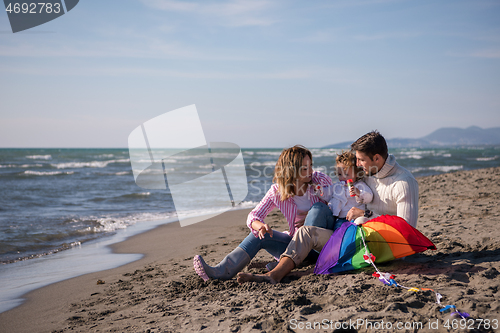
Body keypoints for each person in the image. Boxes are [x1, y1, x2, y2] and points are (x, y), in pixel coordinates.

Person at [237, 130, 419, 284]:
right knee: (305, 232)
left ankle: (274, 274)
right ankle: (276, 272)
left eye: (360, 160)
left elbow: (405, 232)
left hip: (373, 246)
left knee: (312, 229)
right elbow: (339, 191)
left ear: (377, 158)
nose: (356, 165)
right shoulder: (369, 174)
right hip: (351, 234)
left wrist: (366, 213)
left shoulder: (403, 183)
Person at [193, 145, 333, 281]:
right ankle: (222, 270)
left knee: (318, 209)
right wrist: (260, 226)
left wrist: (311, 218)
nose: (310, 171)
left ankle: (289, 265)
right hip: (295, 246)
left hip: (320, 247)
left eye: (310, 165)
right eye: (304, 168)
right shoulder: (277, 191)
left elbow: (339, 206)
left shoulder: (320, 180)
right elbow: (253, 216)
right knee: (261, 234)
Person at [314, 150, 373, 227]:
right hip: (339, 218)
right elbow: (326, 194)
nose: (343, 177)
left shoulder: (360, 185)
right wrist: (319, 189)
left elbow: (369, 197)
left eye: (346, 174)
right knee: (337, 230)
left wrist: (358, 193)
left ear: (356, 174)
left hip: (354, 218)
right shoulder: (337, 186)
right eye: (339, 174)